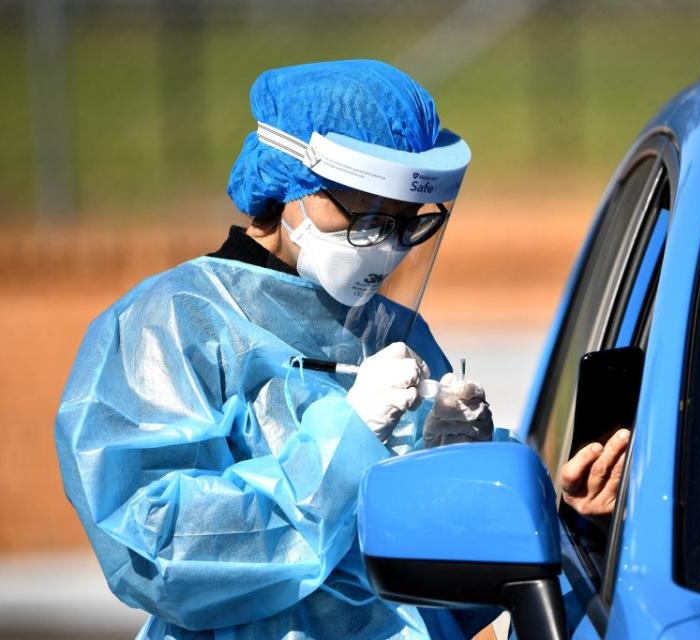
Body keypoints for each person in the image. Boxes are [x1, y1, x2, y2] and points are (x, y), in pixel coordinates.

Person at [55, 60, 497, 640]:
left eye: (404, 223)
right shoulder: (171, 323)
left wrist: (459, 478)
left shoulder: (394, 332)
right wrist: (345, 444)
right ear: (290, 181)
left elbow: (449, 589)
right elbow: (158, 553)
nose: (385, 245)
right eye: (364, 214)